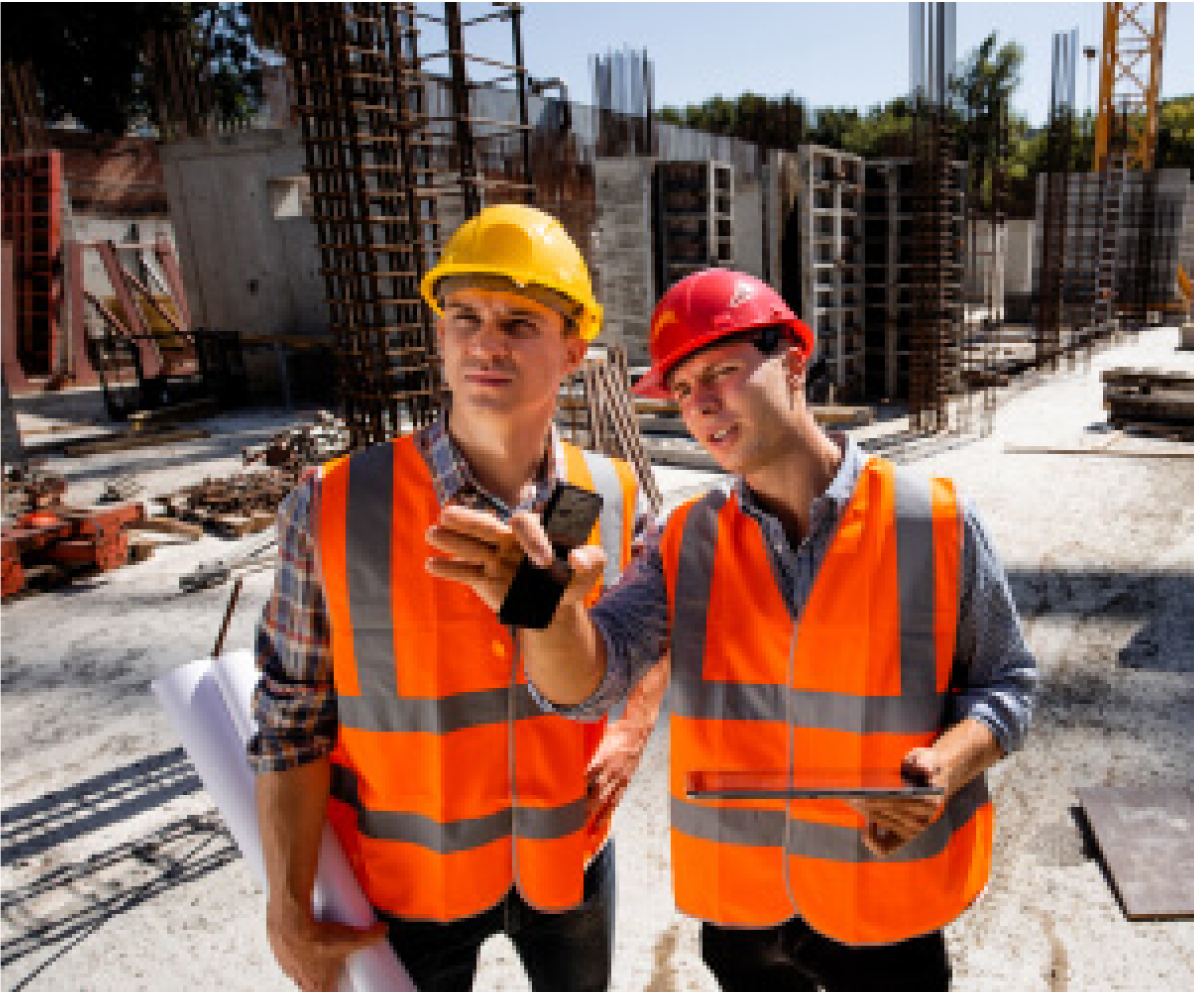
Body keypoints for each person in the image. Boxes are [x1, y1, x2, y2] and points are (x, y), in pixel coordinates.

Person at [429, 267, 1036, 991]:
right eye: (682, 390)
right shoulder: (686, 540)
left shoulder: (931, 522)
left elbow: (1009, 684)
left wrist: (945, 766)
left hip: (881, 911)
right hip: (743, 920)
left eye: (722, 372)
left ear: (796, 364)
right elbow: (588, 687)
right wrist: (549, 619)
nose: (703, 405)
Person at [249, 204, 668, 992]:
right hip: (409, 888)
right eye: (465, 317)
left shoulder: (604, 492)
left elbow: (654, 631)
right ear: (439, 337)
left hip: (565, 859)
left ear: (574, 348)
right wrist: (287, 902)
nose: (486, 341)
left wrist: (632, 731)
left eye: (519, 321)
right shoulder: (337, 506)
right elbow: (291, 716)